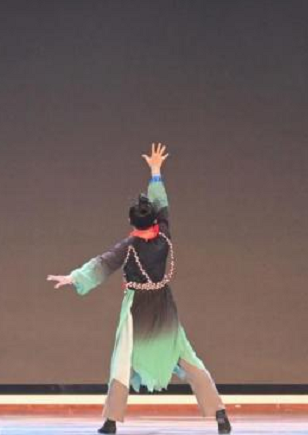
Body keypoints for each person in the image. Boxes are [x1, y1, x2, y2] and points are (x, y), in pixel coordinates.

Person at [48, 143, 232, 434]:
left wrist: (74, 278)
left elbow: (102, 263)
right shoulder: (164, 236)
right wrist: (156, 171)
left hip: (137, 310)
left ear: (131, 223)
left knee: (122, 362)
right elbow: (162, 205)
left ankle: (111, 422)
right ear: (154, 220)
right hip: (164, 306)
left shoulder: (129, 246)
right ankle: (220, 414)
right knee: (186, 356)